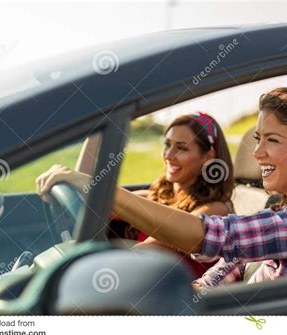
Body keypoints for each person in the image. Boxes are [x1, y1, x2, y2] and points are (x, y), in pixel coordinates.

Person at [111, 85, 287, 288]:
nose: (257, 153)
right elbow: (228, 265)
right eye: (257, 139)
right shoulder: (284, 210)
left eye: (272, 140)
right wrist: (197, 292)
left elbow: (218, 238)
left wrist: (111, 194)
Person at [36, 112, 235, 277]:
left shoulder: (215, 209)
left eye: (181, 148)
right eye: (167, 144)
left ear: (207, 157)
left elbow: (136, 257)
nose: (168, 155)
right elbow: (89, 202)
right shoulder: (154, 196)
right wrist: (97, 131)